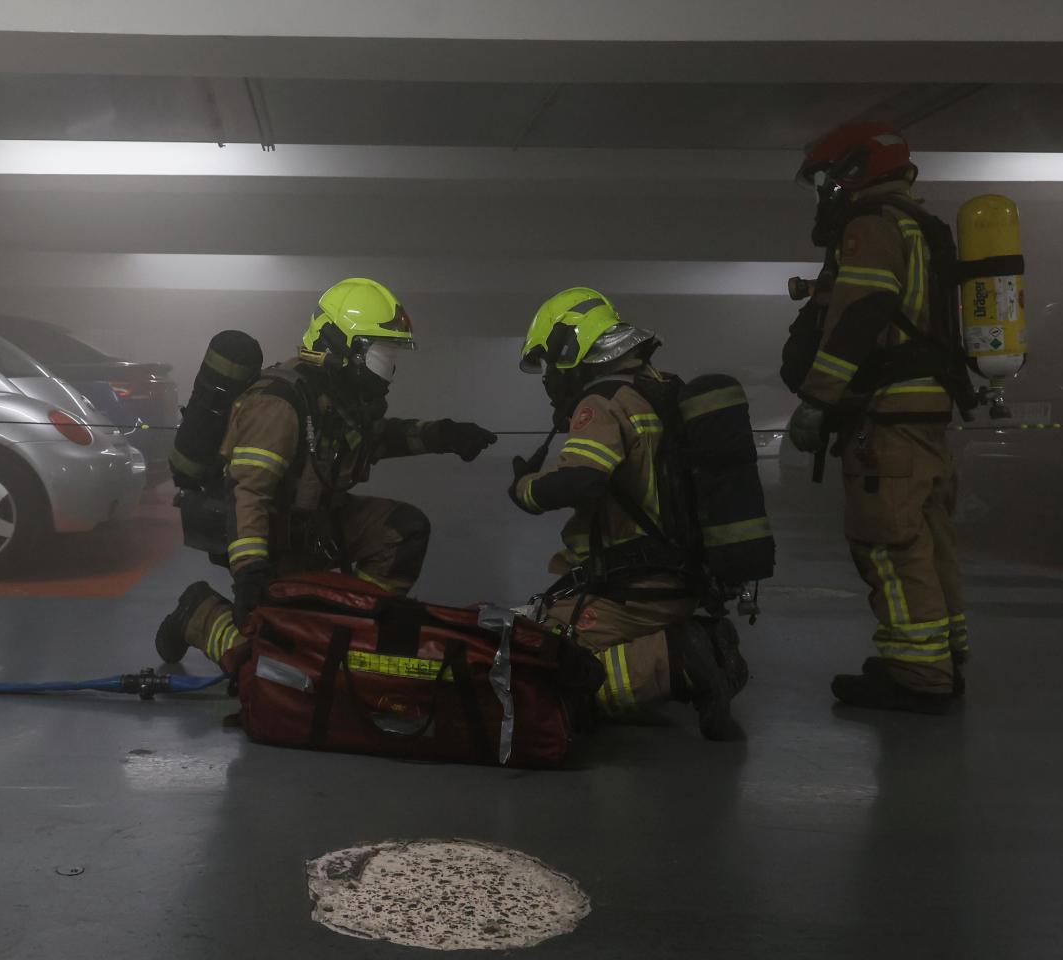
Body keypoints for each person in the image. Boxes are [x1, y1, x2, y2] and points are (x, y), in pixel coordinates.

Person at [155, 278, 498, 668]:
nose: (389, 367)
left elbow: (371, 440)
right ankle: (197, 613)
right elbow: (248, 495)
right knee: (268, 659)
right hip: (265, 534)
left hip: (314, 521)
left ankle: (345, 626)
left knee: (403, 531)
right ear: (342, 347)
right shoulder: (279, 403)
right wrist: (251, 572)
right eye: (382, 353)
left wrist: (442, 435)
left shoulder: (337, 397)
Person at [508, 287, 747, 740]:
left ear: (568, 348)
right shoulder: (664, 391)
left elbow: (581, 479)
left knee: (537, 674)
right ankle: (689, 645)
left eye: (546, 361)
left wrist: (524, 489)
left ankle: (681, 660)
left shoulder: (603, 402)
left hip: (633, 590)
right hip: (682, 580)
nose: (547, 377)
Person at [782, 122, 965, 714]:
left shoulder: (872, 226)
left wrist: (819, 400)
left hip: (887, 414)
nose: (823, 192)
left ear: (852, 172)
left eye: (825, 179)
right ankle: (942, 656)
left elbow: (861, 316)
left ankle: (917, 674)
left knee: (888, 539)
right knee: (928, 536)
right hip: (926, 408)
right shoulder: (920, 227)